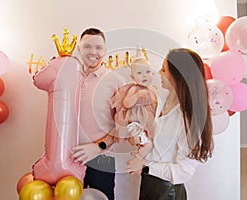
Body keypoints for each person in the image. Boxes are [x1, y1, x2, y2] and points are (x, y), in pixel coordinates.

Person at [126, 48, 213, 200]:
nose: (159, 72)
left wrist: (145, 166)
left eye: (164, 69)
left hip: (167, 190)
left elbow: (184, 171)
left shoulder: (188, 120)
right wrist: (140, 137)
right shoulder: (160, 98)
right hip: (148, 183)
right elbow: (157, 140)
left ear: (176, 76)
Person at [72, 28, 125, 200]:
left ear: (105, 50)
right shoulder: (69, 78)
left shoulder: (115, 80)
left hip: (102, 159)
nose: (93, 52)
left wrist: (98, 147)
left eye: (98, 48)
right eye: (87, 46)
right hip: (69, 157)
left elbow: (122, 126)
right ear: (79, 49)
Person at [110, 57, 157, 154]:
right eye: (139, 73)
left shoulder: (154, 89)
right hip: (137, 119)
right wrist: (136, 96)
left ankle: (148, 149)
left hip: (150, 118)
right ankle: (140, 148)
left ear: (152, 73)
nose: (144, 75)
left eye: (148, 72)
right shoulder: (134, 89)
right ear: (133, 77)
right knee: (138, 135)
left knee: (153, 135)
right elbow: (126, 104)